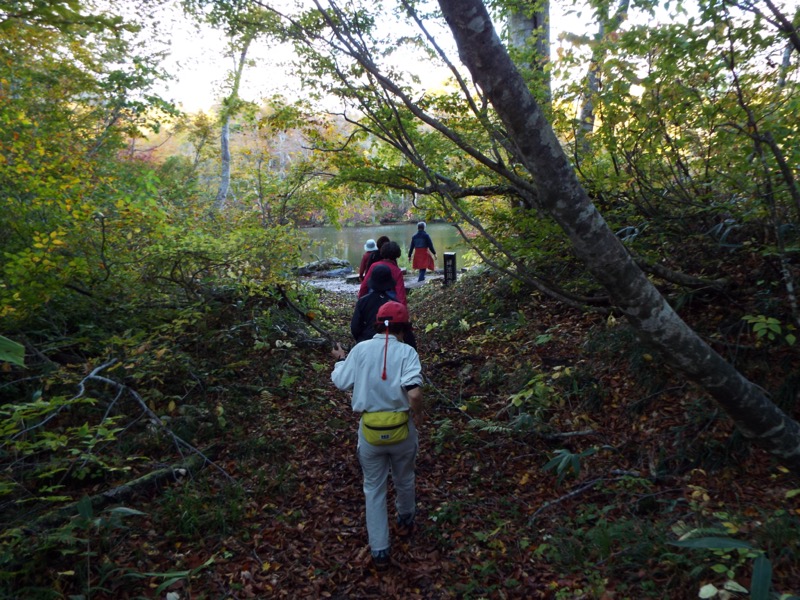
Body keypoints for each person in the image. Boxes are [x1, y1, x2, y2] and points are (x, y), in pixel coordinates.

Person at [331, 301, 424, 570]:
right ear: (403, 328)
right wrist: (418, 415)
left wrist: (341, 360)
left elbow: (340, 382)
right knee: (404, 477)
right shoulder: (408, 352)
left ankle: (380, 549)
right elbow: (415, 393)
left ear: (377, 325)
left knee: (373, 488)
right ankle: (406, 518)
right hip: (402, 431)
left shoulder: (360, 350)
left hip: (370, 433)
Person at [352, 265, 417, 349]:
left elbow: (355, 327)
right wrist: (412, 348)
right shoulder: (394, 304)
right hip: (391, 344)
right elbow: (405, 330)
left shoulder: (362, 301)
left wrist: (360, 340)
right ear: (389, 283)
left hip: (366, 341)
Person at [358, 241, 407, 305]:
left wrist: (360, 300)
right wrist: (403, 309)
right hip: (389, 302)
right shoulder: (397, 271)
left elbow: (364, 285)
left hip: (373, 297)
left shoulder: (374, 266)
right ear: (397, 255)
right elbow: (401, 294)